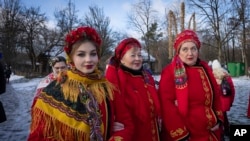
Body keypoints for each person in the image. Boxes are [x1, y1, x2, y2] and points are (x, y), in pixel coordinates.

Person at [27, 26, 133, 141]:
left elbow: (127, 124)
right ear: (71, 58)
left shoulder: (107, 88)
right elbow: (38, 136)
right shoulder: (53, 90)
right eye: (81, 54)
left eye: (93, 54)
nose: (88, 60)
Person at [158, 29, 224, 141]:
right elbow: (166, 105)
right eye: (185, 49)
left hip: (210, 131)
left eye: (193, 49)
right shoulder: (170, 72)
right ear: (178, 52)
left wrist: (219, 119)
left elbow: (216, 96)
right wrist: (181, 134)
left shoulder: (206, 69)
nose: (190, 53)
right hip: (187, 133)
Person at [105, 37, 161, 141]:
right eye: (133, 55)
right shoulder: (116, 80)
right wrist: (109, 123)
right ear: (121, 59)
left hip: (152, 133)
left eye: (139, 55)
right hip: (133, 135)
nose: (138, 59)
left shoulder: (147, 78)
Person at [212, 59, 235, 136]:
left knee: (218, 117)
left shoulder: (211, 76)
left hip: (215, 103)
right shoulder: (226, 76)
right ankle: (226, 130)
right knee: (224, 116)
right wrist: (231, 101)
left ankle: (221, 133)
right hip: (225, 101)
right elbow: (232, 90)